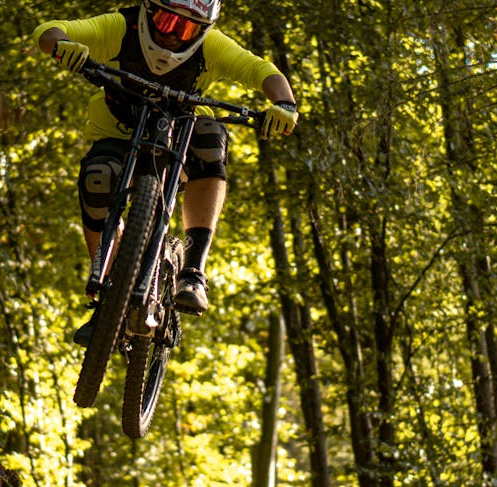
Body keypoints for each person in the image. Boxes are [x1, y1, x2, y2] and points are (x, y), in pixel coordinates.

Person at [33, 0, 298, 345]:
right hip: (116, 136)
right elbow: (49, 31)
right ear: (148, 10)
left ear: (202, 31)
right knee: (98, 177)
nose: (171, 35)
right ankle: (107, 295)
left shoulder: (211, 46)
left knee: (211, 137)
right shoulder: (120, 27)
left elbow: (261, 71)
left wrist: (284, 104)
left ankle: (192, 272)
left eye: (184, 28)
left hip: (180, 136)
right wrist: (63, 46)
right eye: (165, 21)